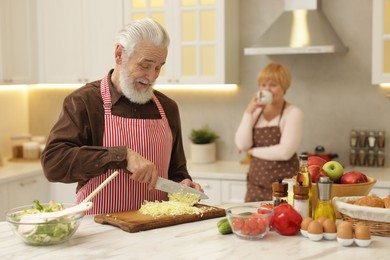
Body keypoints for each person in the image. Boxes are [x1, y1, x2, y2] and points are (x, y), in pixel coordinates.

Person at [41, 18, 203, 214]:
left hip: (156, 231)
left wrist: (184, 187)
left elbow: (177, 172)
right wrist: (121, 156)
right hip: (100, 231)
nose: (152, 77)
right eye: (145, 65)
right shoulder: (85, 102)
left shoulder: (168, 108)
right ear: (119, 54)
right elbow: (53, 163)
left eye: (159, 67)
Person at [235, 63, 304, 202]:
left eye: (273, 85)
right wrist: (248, 111)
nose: (267, 89)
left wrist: (253, 151)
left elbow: (285, 152)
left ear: (285, 87)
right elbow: (242, 144)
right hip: (256, 185)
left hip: (285, 186)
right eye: (263, 85)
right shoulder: (255, 112)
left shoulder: (293, 113)